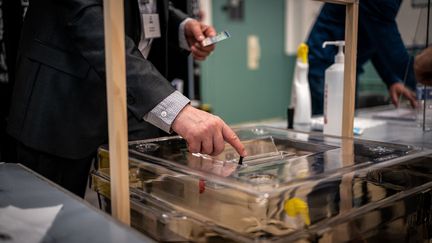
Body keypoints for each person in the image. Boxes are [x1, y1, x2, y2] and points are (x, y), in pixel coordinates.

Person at [7, 0, 246, 198]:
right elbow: (89, 20)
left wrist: (181, 26)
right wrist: (177, 110)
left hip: (131, 106)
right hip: (62, 109)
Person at [307, 0, 418, 115]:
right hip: (326, 63)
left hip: (348, 65)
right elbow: (384, 34)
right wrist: (420, 75)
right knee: (329, 123)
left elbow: (376, 36)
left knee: (345, 122)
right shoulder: (378, 4)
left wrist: (391, 79)